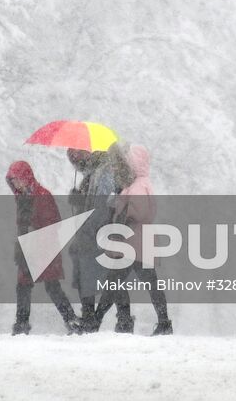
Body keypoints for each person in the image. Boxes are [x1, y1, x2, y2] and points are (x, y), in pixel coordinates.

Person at [6, 160, 81, 335]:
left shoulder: (42, 195)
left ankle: (71, 320)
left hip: (45, 249)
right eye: (13, 180)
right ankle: (21, 325)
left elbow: (53, 224)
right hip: (28, 249)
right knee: (23, 286)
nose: (16, 183)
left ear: (26, 177)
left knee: (52, 286)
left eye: (18, 179)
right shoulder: (22, 197)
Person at [106, 142, 173, 335]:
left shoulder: (138, 185)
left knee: (118, 282)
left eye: (128, 160)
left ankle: (124, 321)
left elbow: (139, 212)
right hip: (136, 242)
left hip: (134, 241)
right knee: (147, 283)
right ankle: (162, 322)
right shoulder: (138, 184)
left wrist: (120, 208)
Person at [66, 147, 131, 332]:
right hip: (96, 231)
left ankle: (94, 319)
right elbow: (89, 202)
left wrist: (92, 229)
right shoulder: (93, 174)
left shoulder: (103, 172)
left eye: (75, 159)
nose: (74, 164)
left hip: (99, 232)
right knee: (106, 276)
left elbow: (102, 205)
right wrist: (77, 198)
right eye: (71, 160)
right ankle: (109, 319)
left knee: (105, 276)